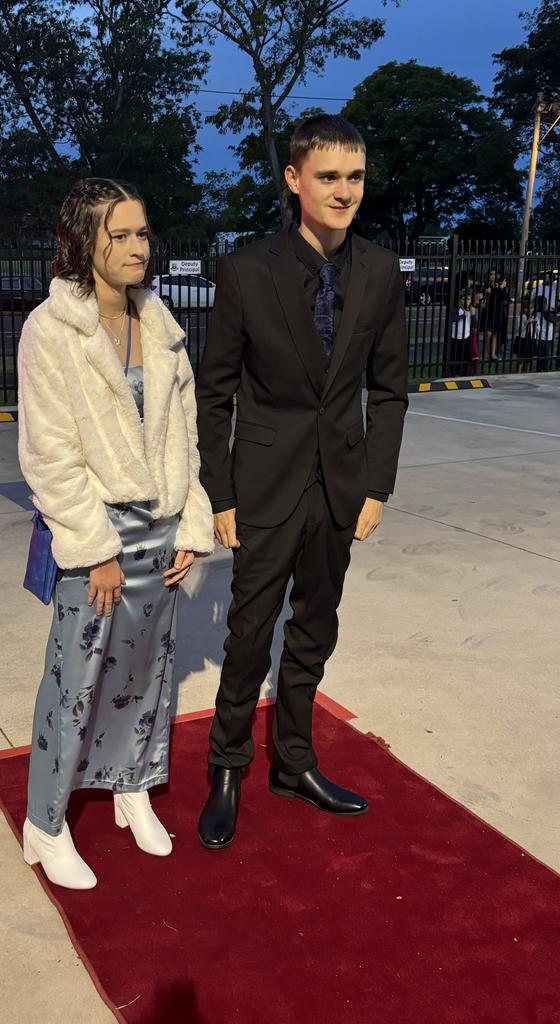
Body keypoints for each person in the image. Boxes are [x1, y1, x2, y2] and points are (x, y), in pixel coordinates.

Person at [195, 114, 408, 850]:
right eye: (329, 176)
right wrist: (219, 494)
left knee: (316, 627)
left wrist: (376, 484)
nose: (344, 190)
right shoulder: (247, 270)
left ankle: (295, 763)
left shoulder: (380, 271)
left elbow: (388, 391)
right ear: (294, 180)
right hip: (263, 480)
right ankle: (227, 768)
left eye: (354, 176)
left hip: (342, 482)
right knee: (250, 632)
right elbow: (212, 389)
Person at [17, 178, 214, 888]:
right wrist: (94, 549)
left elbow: (182, 434)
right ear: (83, 243)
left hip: (159, 531)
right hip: (96, 541)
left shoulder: (158, 323)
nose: (138, 248)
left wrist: (189, 521)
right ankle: (44, 823)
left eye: (142, 233)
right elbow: (49, 453)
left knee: (146, 672)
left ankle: (131, 788)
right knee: (75, 681)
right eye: (120, 235)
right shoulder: (50, 330)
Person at [479, 268, 508, 363]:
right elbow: (483, 295)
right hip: (488, 312)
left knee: (495, 334)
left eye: (494, 274)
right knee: (488, 333)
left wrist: (499, 288)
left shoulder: (501, 285)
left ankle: (493, 355)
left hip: (497, 313)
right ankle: (484, 353)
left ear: (498, 276)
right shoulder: (486, 285)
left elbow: (504, 297)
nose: (492, 276)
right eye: (491, 274)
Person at [448, 292, 475, 377]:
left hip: (466, 338)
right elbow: (452, 319)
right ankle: (454, 373)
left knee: (465, 357)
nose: (466, 302)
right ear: (460, 300)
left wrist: (473, 315)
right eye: (464, 299)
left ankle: (463, 373)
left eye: (468, 299)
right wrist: (463, 316)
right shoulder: (456, 310)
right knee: (455, 356)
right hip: (455, 338)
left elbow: (475, 325)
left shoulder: (471, 311)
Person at [514, 301, 537, 374]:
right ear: (524, 309)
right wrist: (526, 322)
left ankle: (527, 372)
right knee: (521, 356)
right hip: (522, 338)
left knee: (529, 357)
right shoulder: (521, 317)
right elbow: (519, 329)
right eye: (528, 308)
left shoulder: (534, 317)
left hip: (531, 338)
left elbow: (537, 330)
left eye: (531, 308)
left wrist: (536, 323)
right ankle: (519, 372)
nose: (530, 310)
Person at [534, 295, 555, 372]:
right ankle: (544, 369)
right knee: (545, 355)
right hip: (545, 337)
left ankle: (539, 369)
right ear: (545, 304)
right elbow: (553, 320)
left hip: (540, 336)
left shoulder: (538, 312)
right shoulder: (545, 313)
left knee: (541, 355)